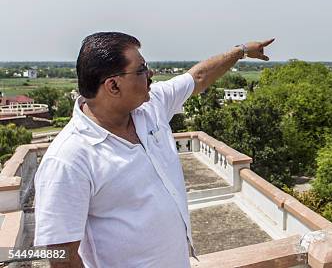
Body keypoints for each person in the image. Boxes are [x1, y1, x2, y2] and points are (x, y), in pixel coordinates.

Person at [34, 32, 274, 268]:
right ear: (113, 86)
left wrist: (241, 51)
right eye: (141, 70)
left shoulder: (151, 107)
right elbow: (62, 257)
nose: (150, 74)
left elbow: (198, 77)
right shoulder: (69, 159)